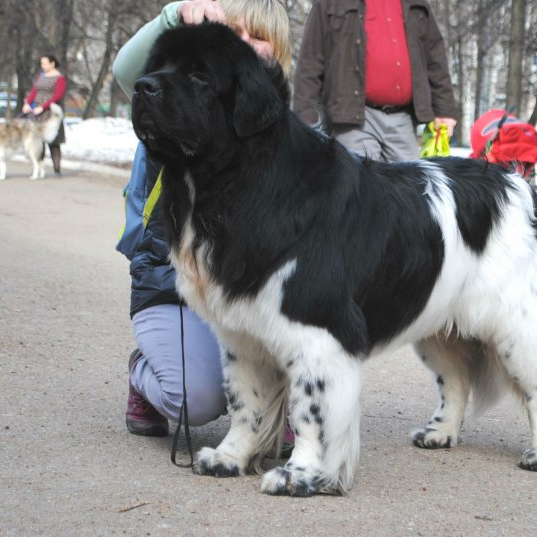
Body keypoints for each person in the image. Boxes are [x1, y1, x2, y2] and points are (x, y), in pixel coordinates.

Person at [112, 0, 293, 447]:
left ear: (279, 52)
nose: (246, 47)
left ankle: (273, 405)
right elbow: (126, 71)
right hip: (175, 282)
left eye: (258, 37)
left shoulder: (287, 124)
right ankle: (144, 376)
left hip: (250, 293)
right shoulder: (172, 102)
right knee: (195, 398)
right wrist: (174, 15)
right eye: (234, 34)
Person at [293, 0, 459, 162]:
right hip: (353, 118)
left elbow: (435, 57)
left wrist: (444, 110)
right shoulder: (327, 3)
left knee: (411, 187)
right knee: (361, 186)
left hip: (403, 119)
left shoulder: (416, 3)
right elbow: (310, 64)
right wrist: (307, 124)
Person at [22, 55, 66, 175]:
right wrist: (28, 104)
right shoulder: (41, 77)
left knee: (54, 142)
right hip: (37, 113)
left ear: (52, 64)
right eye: (42, 63)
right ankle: (39, 168)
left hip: (52, 113)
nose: (43, 66)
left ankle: (57, 169)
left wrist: (43, 107)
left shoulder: (59, 78)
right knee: (37, 141)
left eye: (45, 63)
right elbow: (34, 91)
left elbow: (58, 95)